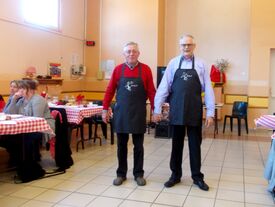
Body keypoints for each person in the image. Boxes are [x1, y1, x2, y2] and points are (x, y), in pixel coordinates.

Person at [153, 34, 215, 191]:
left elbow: (208, 89)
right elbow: (164, 87)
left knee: (195, 146)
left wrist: (210, 112)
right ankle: (175, 175)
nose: (186, 47)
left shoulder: (201, 64)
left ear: (194, 46)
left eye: (189, 45)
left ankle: (197, 177)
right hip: (177, 110)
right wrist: (157, 108)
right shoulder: (173, 63)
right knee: (176, 145)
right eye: (183, 45)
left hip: (194, 110)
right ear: (180, 46)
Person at [102, 42, 156, 186]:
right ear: (124, 54)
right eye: (128, 51)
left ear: (139, 53)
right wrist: (104, 108)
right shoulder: (118, 70)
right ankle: (121, 174)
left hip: (138, 112)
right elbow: (110, 90)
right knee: (121, 146)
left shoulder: (146, 70)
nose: (131, 54)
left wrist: (156, 110)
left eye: (134, 51)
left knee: (139, 146)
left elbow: (151, 91)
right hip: (121, 113)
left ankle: (138, 174)